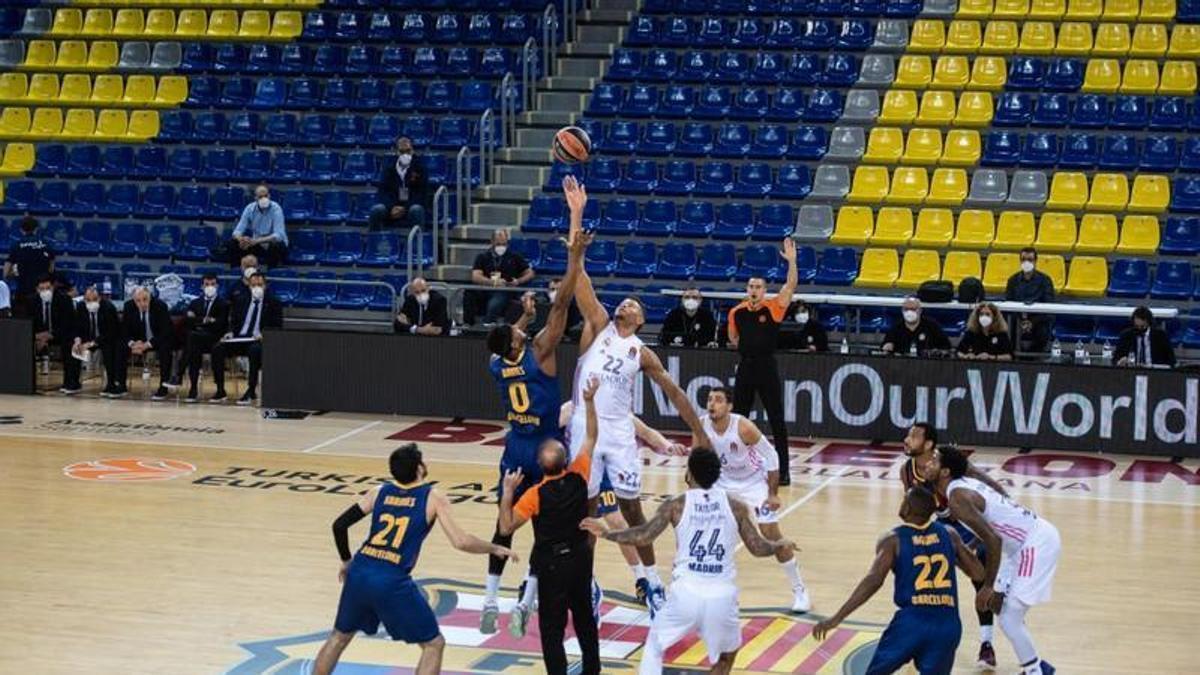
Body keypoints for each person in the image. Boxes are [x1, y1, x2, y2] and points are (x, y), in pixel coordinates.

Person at [568, 174, 707, 616]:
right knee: (584, 509)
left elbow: (674, 391)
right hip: (585, 430)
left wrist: (698, 432)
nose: (627, 304)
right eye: (625, 301)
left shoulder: (641, 351)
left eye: (635, 305)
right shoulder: (598, 325)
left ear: (642, 320)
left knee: (633, 511)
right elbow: (577, 276)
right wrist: (577, 219)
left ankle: (651, 583)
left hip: (619, 431)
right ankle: (586, 583)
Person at [581, 447, 797, 675]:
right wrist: (779, 545)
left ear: (690, 473)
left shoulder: (676, 505)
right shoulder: (737, 507)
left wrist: (606, 533)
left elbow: (643, 535)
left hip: (685, 593)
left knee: (655, 645)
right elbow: (757, 547)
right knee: (726, 658)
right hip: (722, 596)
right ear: (717, 473)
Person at [479, 198, 588, 636]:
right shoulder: (541, 352)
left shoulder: (495, 363)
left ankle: (490, 599)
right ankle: (526, 600)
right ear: (519, 341)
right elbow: (561, 305)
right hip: (545, 448)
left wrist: (523, 315)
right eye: (519, 326)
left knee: (502, 526)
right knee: (550, 531)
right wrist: (574, 254)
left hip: (514, 448)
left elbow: (510, 338)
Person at [312, 444, 517, 675]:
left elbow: (339, 525)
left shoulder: (379, 492)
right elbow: (461, 541)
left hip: (360, 572)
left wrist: (346, 560)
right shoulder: (432, 497)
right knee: (434, 644)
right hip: (391, 580)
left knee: (339, 637)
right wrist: (494, 547)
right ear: (419, 468)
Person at [813, 487, 985, 675]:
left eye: (904, 499)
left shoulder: (892, 540)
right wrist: (954, 553)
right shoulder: (950, 534)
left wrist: (837, 617)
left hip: (912, 622)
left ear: (908, 508)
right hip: (947, 624)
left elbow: (873, 581)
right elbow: (978, 574)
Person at [499, 377, 604, 675]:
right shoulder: (579, 475)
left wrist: (508, 491)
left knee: (552, 629)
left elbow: (506, 528)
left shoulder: (533, 495)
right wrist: (590, 401)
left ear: (539, 465)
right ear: (565, 460)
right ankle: (592, 671)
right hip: (581, 558)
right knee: (585, 620)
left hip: (552, 565)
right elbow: (592, 436)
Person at [926, 446, 1061, 675]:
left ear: (945, 471)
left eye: (935, 460)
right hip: (1017, 546)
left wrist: (989, 586)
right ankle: (1037, 666)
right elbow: (991, 529)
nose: (929, 462)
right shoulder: (960, 486)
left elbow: (994, 539)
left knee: (1009, 618)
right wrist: (970, 548)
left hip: (1034, 544)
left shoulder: (957, 498)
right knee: (1003, 610)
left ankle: (1035, 670)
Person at [898, 423, 1009, 670]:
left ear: (929, 445)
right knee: (919, 576)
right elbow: (915, 510)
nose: (906, 440)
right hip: (943, 528)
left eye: (913, 436)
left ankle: (987, 645)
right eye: (908, 435)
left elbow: (989, 483)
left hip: (973, 525)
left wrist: (1007, 506)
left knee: (980, 575)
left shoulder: (948, 460)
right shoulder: (907, 471)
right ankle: (916, 639)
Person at [700, 386, 811, 613]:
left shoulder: (743, 427)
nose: (712, 404)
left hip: (753, 482)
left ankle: (800, 591)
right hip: (723, 484)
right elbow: (698, 459)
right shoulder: (702, 425)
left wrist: (773, 494)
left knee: (771, 533)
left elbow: (771, 455)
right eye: (710, 400)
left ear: (729, 406)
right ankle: (721, 595)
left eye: (718, 400)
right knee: (717, 536)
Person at [727, 240, 800, 485]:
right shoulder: (737, 312)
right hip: (746, 366)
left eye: (758, 286)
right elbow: (733, 338)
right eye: (751, 286)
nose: (754, 289)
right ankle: (736, 466)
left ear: (764, 289)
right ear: (747, 289)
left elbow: (791, 286)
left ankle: (784, 471)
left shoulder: (773, 307)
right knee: (738, 418)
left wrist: (791, 262)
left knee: (776, 419)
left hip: (766, 366)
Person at [209, 272, 282, 405]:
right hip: (239, 338)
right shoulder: (241, 300)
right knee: (217, 348)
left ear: (265, 286)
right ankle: (220, 389)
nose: (256, 288)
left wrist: (264, 334)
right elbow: (233, 321)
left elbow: (277, 326)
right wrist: (230, 332)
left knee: (254, 351)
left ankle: (251, 390)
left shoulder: (274, 303)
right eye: (253, 285)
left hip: (258, 340)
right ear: (248, 286)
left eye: (260, 285)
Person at [180, 274, 231, 402]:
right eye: (207, 284)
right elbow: (187, 320)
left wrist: (198, 320)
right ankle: (193, 389)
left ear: (217, 286)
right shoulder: (195, 303)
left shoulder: (224, 304)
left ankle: (178, 374)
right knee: (193, 345)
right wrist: (206, 320)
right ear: (202, 287)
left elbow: (220, 324)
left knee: (192, 339)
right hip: (198, 339)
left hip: (215, 339)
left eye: (212, 284)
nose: (210, 287)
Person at [119, 286, 175, 400]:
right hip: (138, 341)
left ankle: (163, 387)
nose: (142, 303)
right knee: (120, 346)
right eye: (138, 301)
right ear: (134, 300)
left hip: (157, 340)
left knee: (166, 348)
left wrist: (147, 345)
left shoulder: (160, 306)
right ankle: (121, 385)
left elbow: (166, 332)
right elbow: (124, 330)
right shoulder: (128, 306)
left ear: (150, 297)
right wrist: (132, 343)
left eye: (145, 299)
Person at [470, 229, 535, 325]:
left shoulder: (514, 256)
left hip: (506, 289)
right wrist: (492, 282)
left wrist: (518, 281)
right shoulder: (482, 256)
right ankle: (467, 324)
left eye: (504, 244)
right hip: (487, 287)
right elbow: (475, 276)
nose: (501, 247)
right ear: (492, 242)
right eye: (498, 244)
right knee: (469, 293)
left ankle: (488, 322)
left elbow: (530, 273)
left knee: (499, 297)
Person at [30, 275, 79, 394]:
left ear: (53, 288)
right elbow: (26, 323)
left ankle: (71, 382)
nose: (45, 291)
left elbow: (68, 324)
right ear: (37, 290)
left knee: (70, 343)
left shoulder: (64, 300)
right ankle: (27, 382)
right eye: (42, 289)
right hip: (38, 335)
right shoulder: (31, 301)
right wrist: (37, 337)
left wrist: (49, 335)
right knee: (23, 343)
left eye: (48, 288)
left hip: (59, 334)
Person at [369, 136, 429, 230]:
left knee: (417, 209)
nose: (405, 154)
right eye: (402, 151)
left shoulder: (420, 168)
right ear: (396, 152)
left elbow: (422, 193)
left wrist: (405, 208)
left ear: (413, 150)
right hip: (392, 207)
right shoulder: (389, 167)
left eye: (408, 151)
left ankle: (419, 242)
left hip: (411, 207)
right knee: (376, 210)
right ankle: (373, 241)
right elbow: (383, 191)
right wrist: (392, 207)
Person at [71, 286, 121, 395]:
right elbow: (76, 327)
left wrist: (92, 343)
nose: (91, 303)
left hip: (104, 339)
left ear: (100, 298)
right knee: (74, 346)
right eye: (88, 300)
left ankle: (111, 384)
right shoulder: (80, 307)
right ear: (84, 300)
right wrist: (78, 340)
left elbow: (111, 332)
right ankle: (74, 383)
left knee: (110, 348)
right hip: (86, 339)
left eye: (94, 299)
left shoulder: (108, 308)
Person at [1005, 247, 1055, 354]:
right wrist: (1021, 321)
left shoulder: (1045, 280)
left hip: (1038, 319)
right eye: (1023, 259)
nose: (1026, 262)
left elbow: (1049, 307)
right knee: (1008, 327)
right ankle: (1011, 359)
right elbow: (1008, 304)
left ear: (1035, 261)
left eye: (1030, 260)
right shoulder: (1012, 280)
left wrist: (1032, 322)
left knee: (1043, 331)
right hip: (1017, 319)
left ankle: (1032, 361)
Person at [3, 216, 55, 318]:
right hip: (42, 293)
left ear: (21, 230)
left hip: (23, 292)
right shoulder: (46, 244)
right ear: (36, 228)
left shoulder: (16, 246)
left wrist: (15, 273)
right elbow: (51, 269)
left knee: (22, 326)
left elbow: (6, 273)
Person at [227, 184, 288, 267]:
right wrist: (242, 239)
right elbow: (237, 231)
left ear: (269, 196)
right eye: (260, 197)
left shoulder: (276, 209)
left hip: (274, 245)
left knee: (275, 245)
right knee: (233, 243)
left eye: (266, 196)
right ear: (255, 198)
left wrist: (256, 241)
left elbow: (278, 235)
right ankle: (236, 271)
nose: (264, 199)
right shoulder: (249, 208)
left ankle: (271, 273)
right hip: (257, 244)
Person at [882, 296, 951, 356]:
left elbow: (946, 346)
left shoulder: (932, 326)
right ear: (902, 311)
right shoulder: (896, 327)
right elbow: (885, 346)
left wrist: (936, 352)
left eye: (913, 309)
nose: (909, 312)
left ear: (920, 311)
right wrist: (887, 346)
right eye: (906, 309)